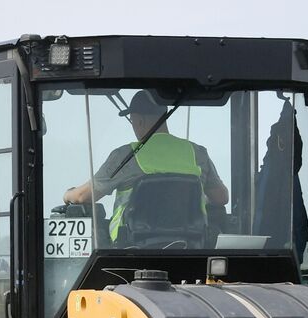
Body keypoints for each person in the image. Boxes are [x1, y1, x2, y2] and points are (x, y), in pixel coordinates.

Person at [62, 90, 229, 242]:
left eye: (132, 120)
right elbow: (221, 198)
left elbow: (83, 196)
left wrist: (68, 194)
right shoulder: (197, 153)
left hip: (130, 246)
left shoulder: (126, 156)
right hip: (189, 244)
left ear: (139, 121)